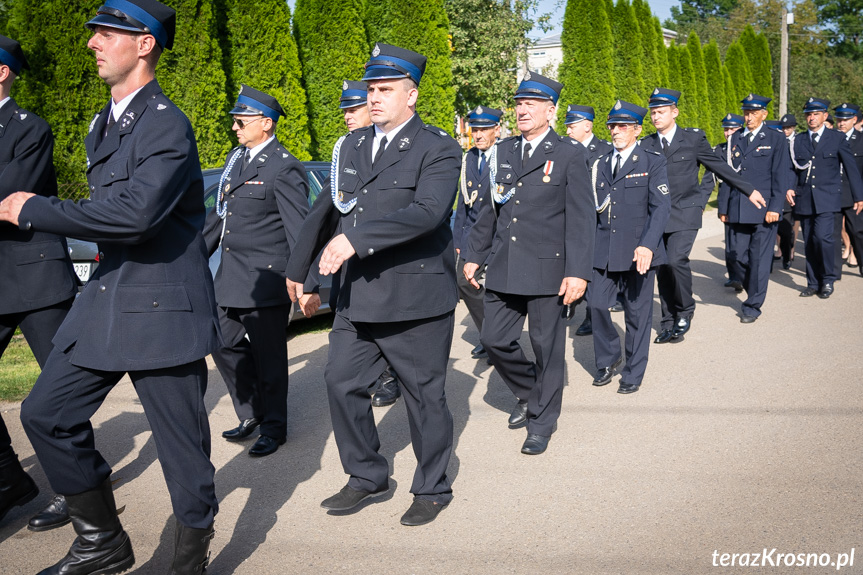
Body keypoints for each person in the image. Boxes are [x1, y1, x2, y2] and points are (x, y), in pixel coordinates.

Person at [0, 1, 220, 571]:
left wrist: (35, 209)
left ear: (144, 44)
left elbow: (136, 215)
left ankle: (189, 558)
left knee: (181, 450)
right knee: (45, 413)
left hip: (162, 306)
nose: (93, 43)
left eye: (106, 34)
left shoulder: (166, 122)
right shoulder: (106, 121)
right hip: (109, 299)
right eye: (95, 33)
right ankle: (102, 541)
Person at [286, 44, 460, 526]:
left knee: (425, 397)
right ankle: (367, 476)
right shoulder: (355, 146)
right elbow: (326, 212)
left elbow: (428, 212)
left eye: (385, 89)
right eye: (371, 89)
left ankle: (432, 486)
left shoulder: (438, 146)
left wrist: (356, 240)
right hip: (358, 296)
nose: (375, 97)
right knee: (341, 383)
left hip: (415, 298)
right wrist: (298, 271)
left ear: (412, 94)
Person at [463, 71, 594, 455]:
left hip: (547, 270)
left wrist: (577, 273)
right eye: (519, 103)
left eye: (531, 104)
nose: (522, 110)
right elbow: (489, 209)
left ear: (550, 111)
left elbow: (583, 218)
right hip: (504, 266)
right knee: (493, 338)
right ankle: (530, 392)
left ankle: (542, 421)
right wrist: (473, 255)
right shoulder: (503, 151)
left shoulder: (570, 154)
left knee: (546, 346)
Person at [203, 85, 310, 457]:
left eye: (241, 121)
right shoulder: (238, 160)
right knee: (222, 341)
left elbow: (300, 229)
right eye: (235, 120)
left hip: (266, 280)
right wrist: (194, 255)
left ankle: (274, 427)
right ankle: (251, 411)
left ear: (266, 123)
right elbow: (221, 217)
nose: (235, 127)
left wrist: (305, 282)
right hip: (231, 277)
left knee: (270, 358)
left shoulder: (284, 165)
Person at [0, 34, 77, 531]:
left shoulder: (30, 128)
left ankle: (78, 489)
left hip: (35, 278)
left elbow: (11, 194)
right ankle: (10, 478)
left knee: (61, 388)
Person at [640, 88, 757, 344]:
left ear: (675, 112)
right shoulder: (646, 144)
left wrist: (749, 190)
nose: (655, 117)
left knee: (675, 259)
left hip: (685, 211)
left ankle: (685, 310)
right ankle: (668, 320)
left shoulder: (692, 139)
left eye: (660, 112)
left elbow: (719, 167)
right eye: (653, 112)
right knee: (661, 266)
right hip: (657, 215)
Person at [588, 100, 670, 394]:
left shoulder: (652, 161)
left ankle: (633, 372)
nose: (616, 130)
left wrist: (648, 245)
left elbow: (661, 208)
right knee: (596, 303)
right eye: (612, 125)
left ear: (637, 129)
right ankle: (609, 358)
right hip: (603, 250)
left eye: (623, 126)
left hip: (638, 251)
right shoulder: (598, 162)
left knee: (637, 314)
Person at [336, 79, 404, 407]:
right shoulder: (347, 148)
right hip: (349, 261)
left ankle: (392, 375)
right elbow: (332, 211)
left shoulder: (400, 147)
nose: (348, 116)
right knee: (342, 371)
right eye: (345, 111)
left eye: (354, 109)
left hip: (390, 262)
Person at [717, 93, 795, 323]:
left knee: (759, 260)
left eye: (753, 113)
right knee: (738, 257)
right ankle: (751, 286)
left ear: (764, 114)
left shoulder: (775, 138)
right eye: (746, 112)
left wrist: (775, 208)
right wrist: (724, 207)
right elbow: (727, 177)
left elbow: (780, 176)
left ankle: (753, 305)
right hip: (739, 208)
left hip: (764, 211)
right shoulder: (735, 138)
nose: (748, 117)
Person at [787, 98, 863, 298]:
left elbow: (851, 168)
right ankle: (812, 282)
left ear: (824, 116)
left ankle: (828, 279)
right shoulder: (799, 140)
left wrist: (858, 196)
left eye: (816, 114)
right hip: (805, 198)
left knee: (824, 238)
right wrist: (788, 187)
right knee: (811, 241)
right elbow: (792, 169)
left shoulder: (836, 138)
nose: (811, 118)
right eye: (808, 115)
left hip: (828, 198)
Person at [562, 104, 617, 337]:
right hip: (570, 216)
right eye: (566, 126)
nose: (567, 131)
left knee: (593, 269)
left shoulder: (605, 150)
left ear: (587, 125)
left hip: (598, 218)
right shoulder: (563, 149)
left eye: (571, 126)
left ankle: (591, 315)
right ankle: (569, 302)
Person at [454, 105, 502, 360]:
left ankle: (497, 339)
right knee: (465, 282)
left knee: (495, 287)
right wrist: (459, 240)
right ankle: (489, 335)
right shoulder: (469, 158)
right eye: (475, 129)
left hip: (498, 234)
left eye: (484, 129)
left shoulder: (505, 156)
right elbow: (463, 202)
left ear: (496, 129)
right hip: (473, 235)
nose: (479, 134)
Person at [703, 114, 745, 289]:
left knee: (744, 242)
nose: (728, 133)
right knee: (730, 241)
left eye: (733, 129)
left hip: (747, 200)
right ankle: (735, 276)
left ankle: (746, 273)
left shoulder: (747, 148)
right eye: (726, 129)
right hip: (727, 201)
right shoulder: (718, 151)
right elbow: (709, 179)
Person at [832, 103, 863, 277]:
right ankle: (834, 272)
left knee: (857, 231)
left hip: (854, 195)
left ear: (854, 120)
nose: (841, 123)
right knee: (834, 234)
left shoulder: (861, 140)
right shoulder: (831, 139)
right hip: (833, 193)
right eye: (839, 119)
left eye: (845, 120)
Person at [776, 114, 800, 269]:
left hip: (791, 189)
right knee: (773, 226)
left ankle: (788, 252)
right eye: (783, 128)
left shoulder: (798, 142)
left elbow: (796, 170)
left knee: (786, 227)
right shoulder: (777, 141)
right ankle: (780, 253)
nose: (785, 131)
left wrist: (791, 188)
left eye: (789, 128)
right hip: (776, 188)